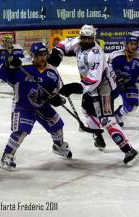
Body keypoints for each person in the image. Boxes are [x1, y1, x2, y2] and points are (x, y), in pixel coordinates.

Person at [48, 24, 138, 165]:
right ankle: (98, 135)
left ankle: (128, 149)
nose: (87, 40)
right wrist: (57, 54)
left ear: (94, 38)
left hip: (104, 86)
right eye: (85, 38)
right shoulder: (78, 41)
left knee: (107, 120)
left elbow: (94, 79)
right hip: (90, 85)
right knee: (87, 109)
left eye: (90, 38)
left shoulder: (97, 54)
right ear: (81, 36)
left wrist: (75, 87)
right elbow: (63, 44)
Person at [0, 42, 72, 171]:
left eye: (44, 54)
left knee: (57, 125)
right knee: (21, 131)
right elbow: (2, 74)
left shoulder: (52, 71)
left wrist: (54, 98)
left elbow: (54, 90)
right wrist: (8, 65)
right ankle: (7, 155)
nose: (42, 58)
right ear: (33, 56)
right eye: (39, 55)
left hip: (42, 105)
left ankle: (58, 146)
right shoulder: (22, 67)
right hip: (23, 105)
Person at [108, 35, 139, 127]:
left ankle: (117, 115)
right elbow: (108, 70)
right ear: (125, 44)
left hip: (130, 85)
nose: (133, 46)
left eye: (135, 44)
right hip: (114, 84)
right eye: (131, 44)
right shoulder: (115, 55)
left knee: (132, 106)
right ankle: (98, 117)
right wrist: (117, 80)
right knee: (106, 102)